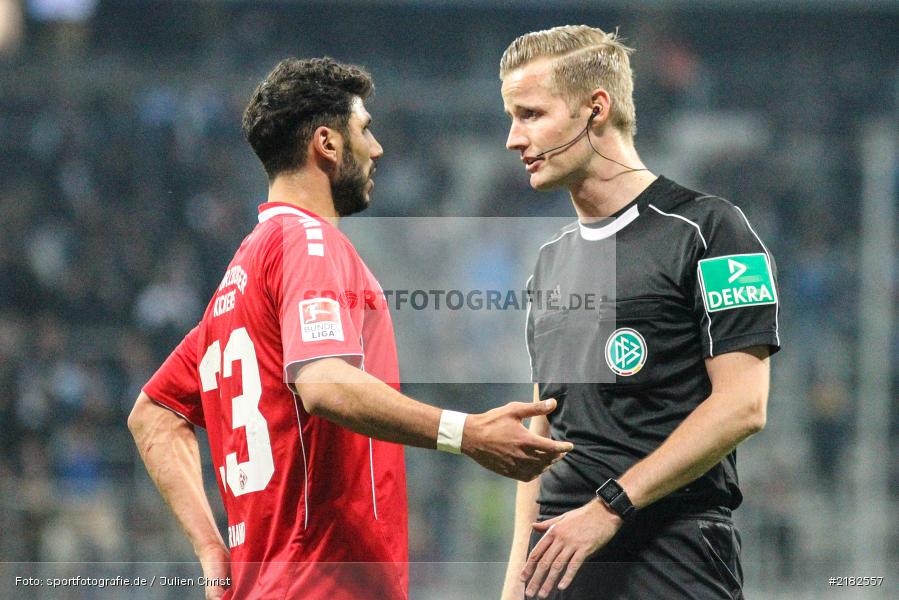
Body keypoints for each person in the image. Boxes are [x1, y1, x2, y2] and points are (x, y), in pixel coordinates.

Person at [127, 57, 572, 600]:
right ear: (327, 145)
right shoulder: (308, 246)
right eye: (365, 129)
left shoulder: (238, 280)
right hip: (323, 583)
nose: (377, 148)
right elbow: (323, 382)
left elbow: (153, 414)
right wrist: (467, 433)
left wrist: (211, 551)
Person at [498, 26, 780, 599]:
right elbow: (542, 433)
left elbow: (743, 406)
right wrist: (514, 589)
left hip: (673, 557)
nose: (512, 137)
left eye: (530, 114)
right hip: (558, 563)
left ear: (594, 109)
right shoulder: (550, 264)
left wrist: (611, 505)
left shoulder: (714, 230)